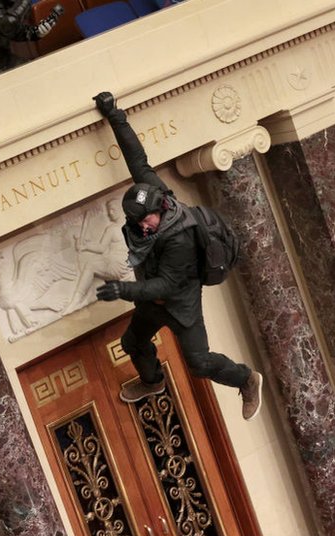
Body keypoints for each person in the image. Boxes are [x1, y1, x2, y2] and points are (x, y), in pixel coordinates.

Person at [92, 91, 263, 421]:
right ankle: (152, 381)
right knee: (132, 342)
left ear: (160, 209)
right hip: (152, 304)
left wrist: (122, 290)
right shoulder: (155, 194)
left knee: (199, 363)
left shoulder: (179, 238)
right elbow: (137, 160)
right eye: (137, 222)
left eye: (147, 220)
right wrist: (115, 116)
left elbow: (164, 286)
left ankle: (246, 379)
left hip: (180, 304)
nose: (143, 227)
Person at [0, 0, 63, 84]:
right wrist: (24, 2)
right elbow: (6, 26)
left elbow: (10, 31)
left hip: (2, 58)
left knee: (38, 76)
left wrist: (35, 32)